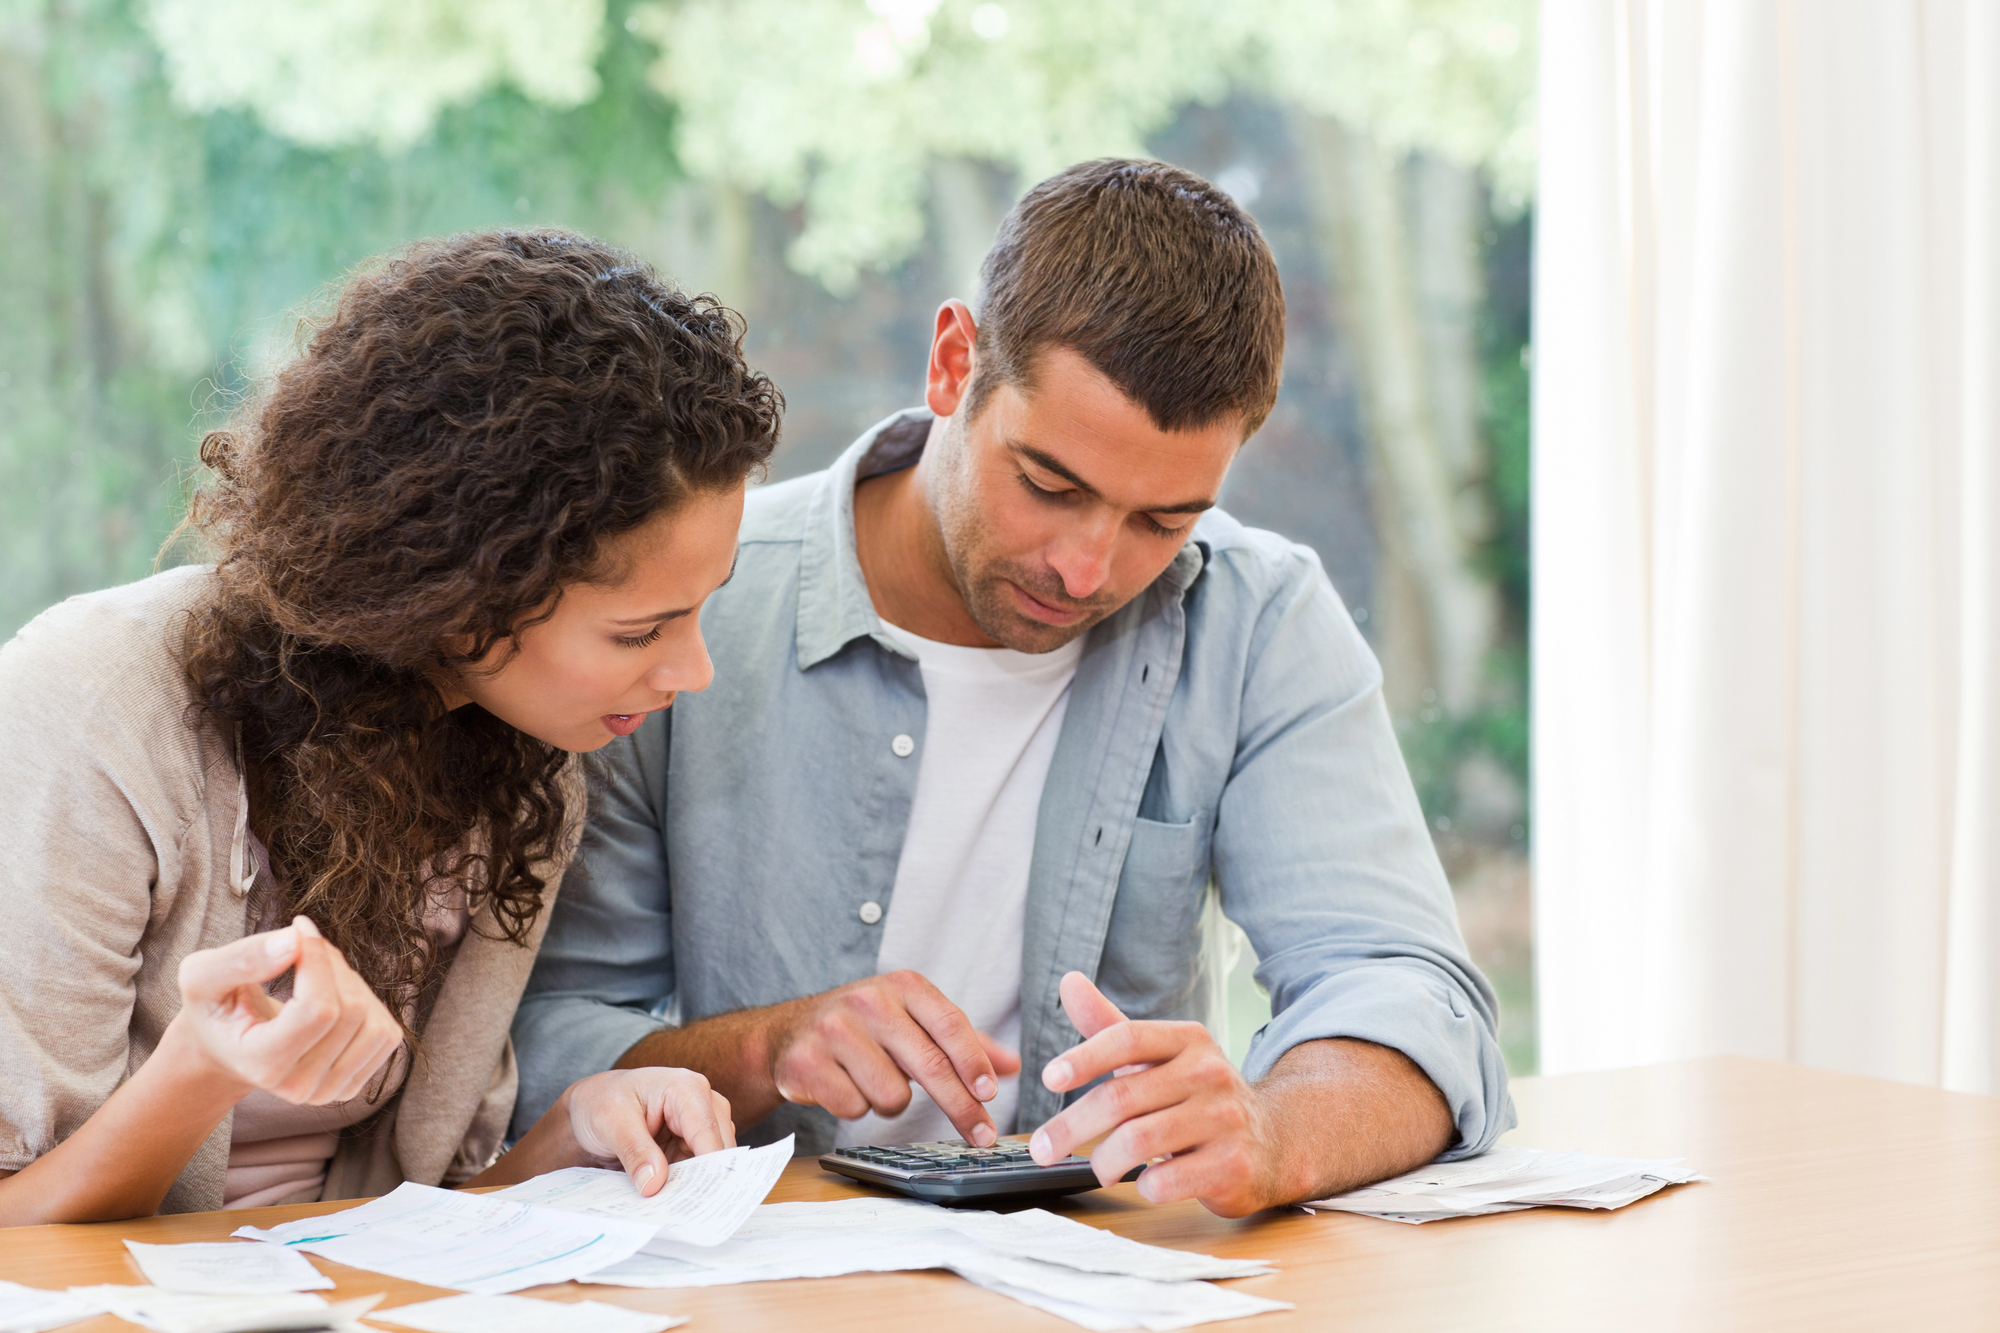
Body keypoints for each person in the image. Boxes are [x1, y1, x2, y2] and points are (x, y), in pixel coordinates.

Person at [512, 160, 1513, 1218]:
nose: (1086, 569)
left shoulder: (1255, 618)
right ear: (953, 364)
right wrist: (762, 1049)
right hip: (751, 1272)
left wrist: (1275, 1127)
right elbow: (538, 1036)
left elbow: (1412, 998)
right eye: (1048, 484)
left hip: (1099, 1272)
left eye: (1161, 520)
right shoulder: (689, 616)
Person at [0, 230, 781, 1224]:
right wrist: (201, 1065)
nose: (693, 671)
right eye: (640, 630)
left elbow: (406, 1218)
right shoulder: (95, 707)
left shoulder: (521, 770)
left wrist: (571, 1133)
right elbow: (15, 1236)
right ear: (464, 591)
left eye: (702, 606)